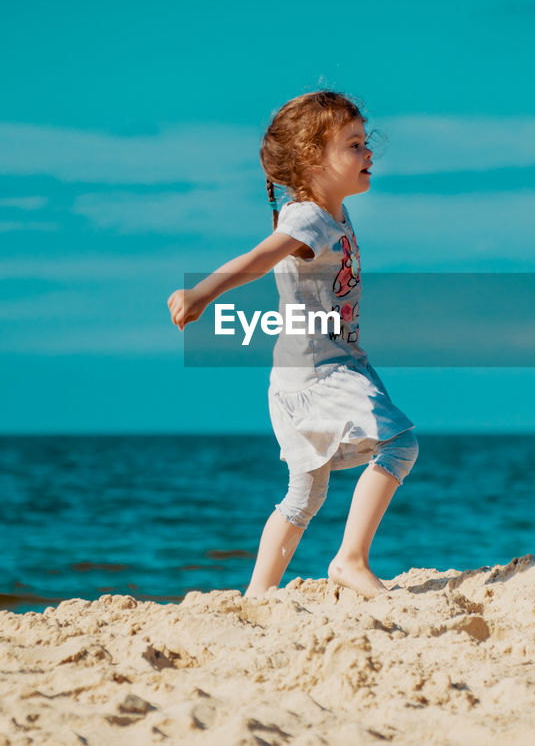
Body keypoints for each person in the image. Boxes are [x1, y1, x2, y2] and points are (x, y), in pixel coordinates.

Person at [167, 90, 418, 599]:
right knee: (399, 442)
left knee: (304, 494)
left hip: (315, 370)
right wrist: (202, 292)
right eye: (354, 145)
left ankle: (258, 595)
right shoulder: (308, 219)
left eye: (365, 142)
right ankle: (350, 559)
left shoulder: (331, 212)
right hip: (318, 376)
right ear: (311, 160)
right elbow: (259, 258)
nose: (368, 154)